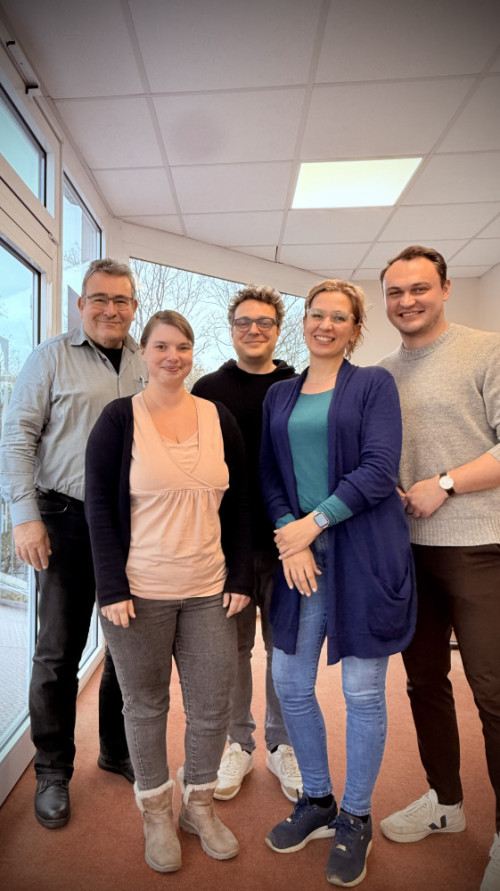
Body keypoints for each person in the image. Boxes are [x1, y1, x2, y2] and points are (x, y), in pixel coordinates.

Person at [259, 279, 416, 887]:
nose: (325, 325)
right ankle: (319, 799)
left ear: (355, 329)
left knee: (362, 691)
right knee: (289, 681)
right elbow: (270, 475)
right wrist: (290, 533)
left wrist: (314, 522)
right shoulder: (279, 393)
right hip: (300, 555)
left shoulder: (373, 385)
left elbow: (379, 469)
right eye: (316, 314)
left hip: (363, 553)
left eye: (339, 317)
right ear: (303, 321)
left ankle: (355, 816)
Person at [84, 310, 253, 874]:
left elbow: (241, 504)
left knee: (211, 706)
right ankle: (156, 812)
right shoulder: (119, 418)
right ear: (144, 352)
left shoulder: (217, 416)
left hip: (209, 589)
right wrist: (111, 588)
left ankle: (198, 807)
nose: (172, 356)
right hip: (139, 593)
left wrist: (241, 576)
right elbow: (99, 510)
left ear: (191, 352)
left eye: (182, 346)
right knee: (146, 705)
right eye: (161, 346)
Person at [0, 258, 145, 830]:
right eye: (99, 299)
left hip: (132, 524)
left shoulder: (146, 359)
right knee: (58, 651)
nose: (111, 309)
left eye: (121, 300)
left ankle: (116, 750)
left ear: (133, 307)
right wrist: (24, 518)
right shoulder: (50, 357)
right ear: (81, 305)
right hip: (63, 517)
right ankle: (53, 769)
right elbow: (16, 437)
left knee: (126, 644)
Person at [378, 246, 500, 891]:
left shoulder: (486, 351)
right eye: (395, 292)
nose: (407, 301)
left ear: (446, 289)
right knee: (424, 682)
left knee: (493, 691)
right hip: (406, 553)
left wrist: (445, 483)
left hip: (479, 545)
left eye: (420, 288)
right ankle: (446, 804)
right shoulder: (380, 374)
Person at [192, 285, 302, 802]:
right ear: (231, 329)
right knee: (232, 652)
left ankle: (282, 744)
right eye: (243, 322)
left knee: (284, 650)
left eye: (264, 322)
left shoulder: (299, 386)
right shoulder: (207, 389)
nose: (254, 330)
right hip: (226, 547)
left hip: (289, 545)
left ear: (278, 330)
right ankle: (239, 742)